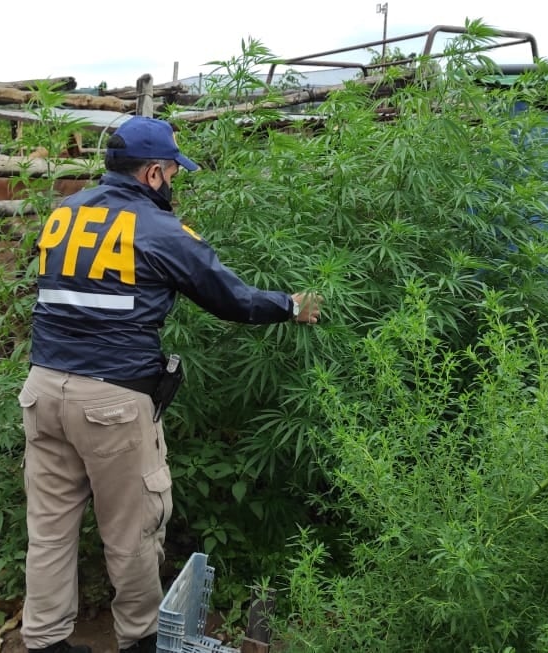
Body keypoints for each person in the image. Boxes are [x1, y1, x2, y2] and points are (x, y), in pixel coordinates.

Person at [19, 116, 321, 653]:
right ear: (154, 173)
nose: (174, 181)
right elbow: (231, 298)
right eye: (173, 171)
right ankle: (140, 641)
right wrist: (291, 306)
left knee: (49, 528)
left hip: (43, 389)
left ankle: (44, 641)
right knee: (133, 532)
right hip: (112, 401)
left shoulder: (62, 214)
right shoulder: (158, 229)